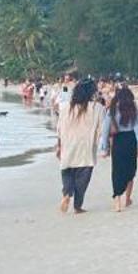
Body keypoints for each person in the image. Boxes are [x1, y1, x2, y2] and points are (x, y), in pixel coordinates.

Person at [56, 77, 100, 214]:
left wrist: (58, 145)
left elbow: (59, 129)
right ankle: (78, 206)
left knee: (67, 172)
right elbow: (101, 128)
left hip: (68, 145)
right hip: (85, 147)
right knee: (82, 179)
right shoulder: (97, 108)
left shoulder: (65, 108)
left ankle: (67, 193)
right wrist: (103, 145)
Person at [102, 84, 138, 212]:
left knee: (117, 170)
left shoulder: (112, 110)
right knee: (130, 170)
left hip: (118, 141)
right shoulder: (134, 110)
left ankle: (117, 200)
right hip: (130, 140)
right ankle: (127, 198)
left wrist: (104, 147)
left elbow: (105, 129)